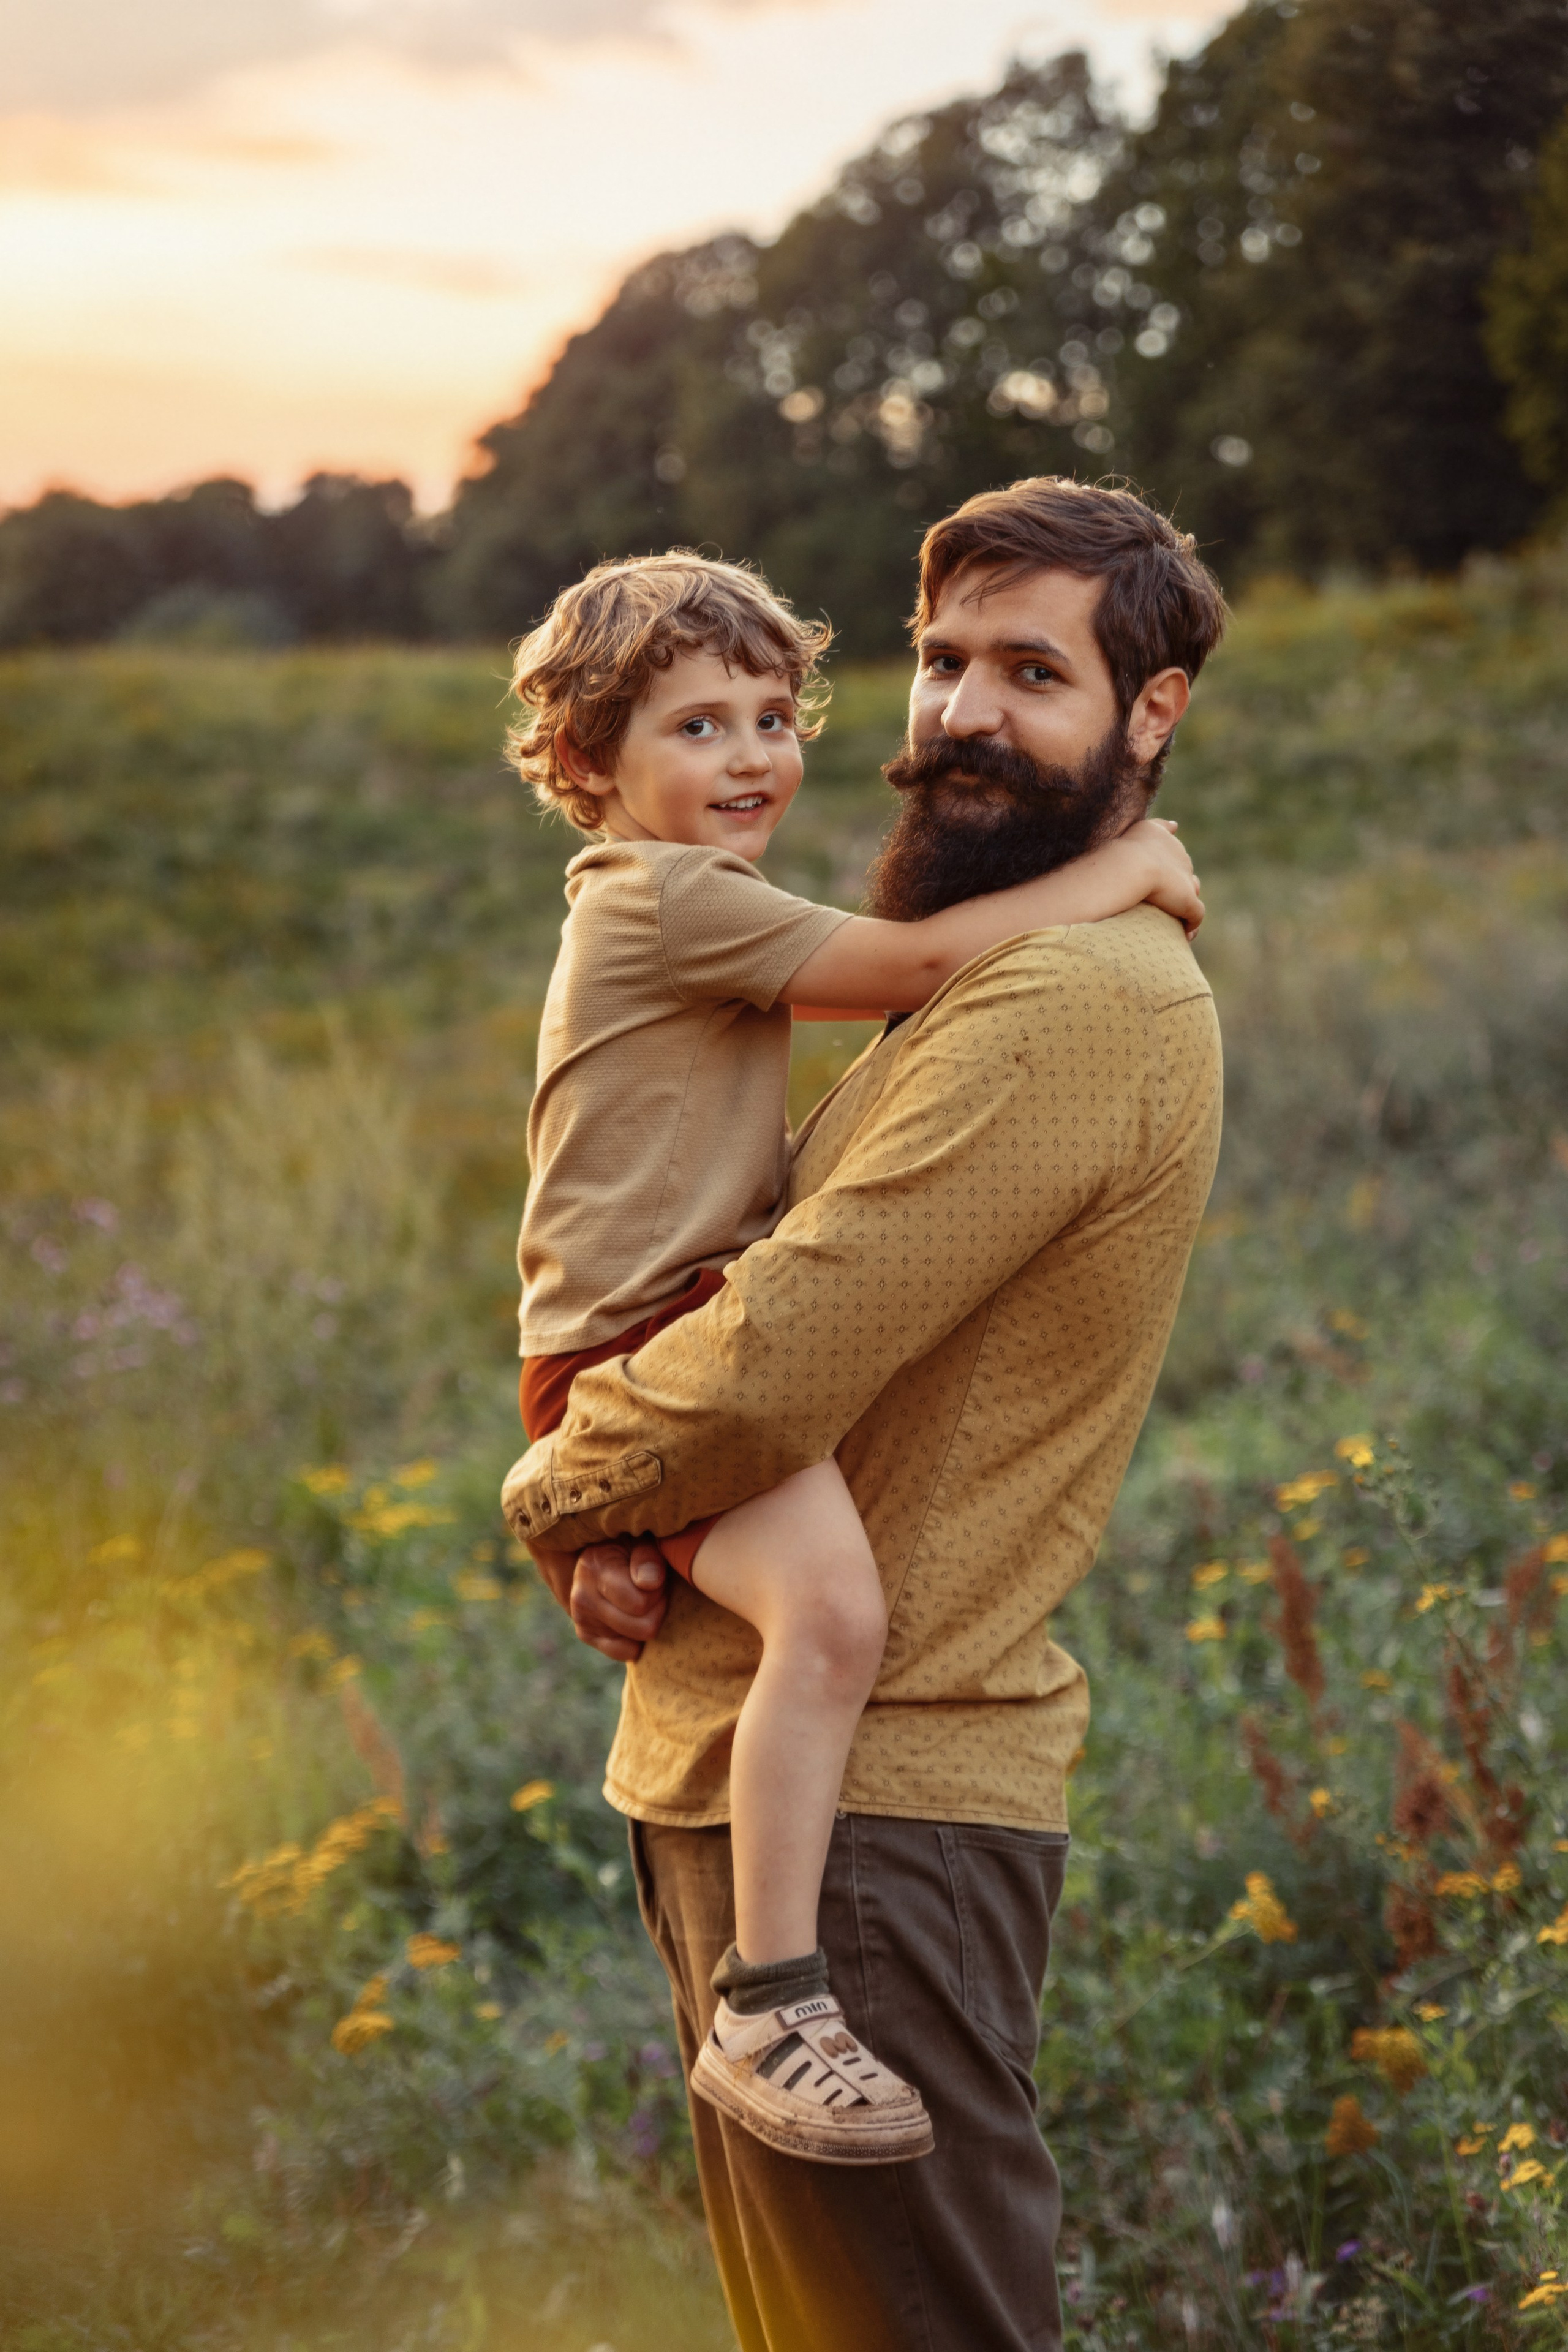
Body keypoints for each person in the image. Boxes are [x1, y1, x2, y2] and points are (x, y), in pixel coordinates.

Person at [503, 477, 1227, 2351]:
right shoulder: (903, 960)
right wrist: (641, 1524)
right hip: (788, 1796)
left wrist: (562, 1497)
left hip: (881, 1837)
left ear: (1151, 714)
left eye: (1032, 671)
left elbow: (759, 1367)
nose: (962, 713)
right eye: (940, 663)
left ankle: (778, 1998)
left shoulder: (1064, 996)